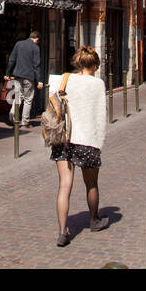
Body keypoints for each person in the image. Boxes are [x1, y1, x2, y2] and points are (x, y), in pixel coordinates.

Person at [51, 45, 109, 247]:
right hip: (88, 140)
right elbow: (101, 116)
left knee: (64, 185)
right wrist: (99, 142)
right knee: (91, 184)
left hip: (64, 139)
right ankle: (94, 220)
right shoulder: (97, 84)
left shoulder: (64, 79)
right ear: (94, 65)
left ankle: (62, 232)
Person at [4, 30, 44, 128]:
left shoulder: (19, 44)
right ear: (37, 39)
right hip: (29, 77)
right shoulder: (35, 48)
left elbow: (11, 59)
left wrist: (7, 73)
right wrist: (39, 80)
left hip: (18, 75)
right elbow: (37, 65)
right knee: (28, 99)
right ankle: (24, 121)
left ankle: (13, 116)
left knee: (18, 96)